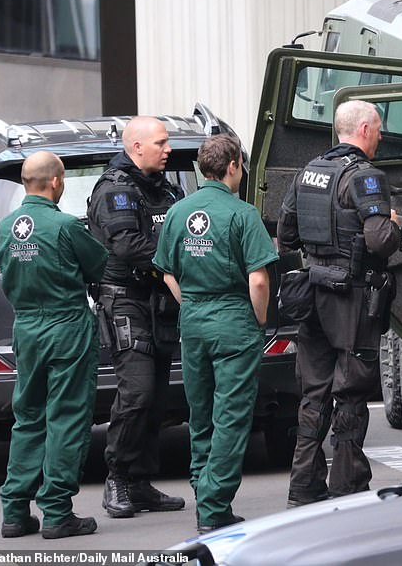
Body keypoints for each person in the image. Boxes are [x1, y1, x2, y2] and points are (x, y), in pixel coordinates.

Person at [153, 134, 278, 533]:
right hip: (233, 320)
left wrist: (187, 300)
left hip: (194, 321)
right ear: (233, 166)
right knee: (232, 416)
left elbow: (165, 268)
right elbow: (258, 279)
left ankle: (204, 494)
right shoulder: (242, 214)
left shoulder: (178, 212)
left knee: (201, 413)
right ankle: (213, 506)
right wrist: (257, 321)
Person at [278, 100, 399, 507]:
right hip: (352, 301)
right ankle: (346, 485)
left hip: (312, 295)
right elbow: (380, 239)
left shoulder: (307, 173)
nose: (381, 136)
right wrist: (394, 226)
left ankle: (303, 485)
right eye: (379, 128)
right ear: (364, 129)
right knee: (350, 392)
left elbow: (286, 235)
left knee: (313, 393)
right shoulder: (366, 177)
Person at [0, 151, 108, 539]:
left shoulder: (7, 227)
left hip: (26, 328)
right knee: (67, 416)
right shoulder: (65, 226)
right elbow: (99, 265)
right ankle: (58, 512)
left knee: (28, 416)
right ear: (57, 182)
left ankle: (14, 512)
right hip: (65, 327)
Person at [86, 116, 186, 518]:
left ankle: (140, 482)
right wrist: (171, 266)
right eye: (161, 143)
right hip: (127, 301)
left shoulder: (166, 189)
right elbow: (128, 246)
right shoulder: (115, 191)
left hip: (162, 303)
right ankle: (118, 478)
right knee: (138, 393)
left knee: (158, 399)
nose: (168, 150)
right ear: (136, 146)